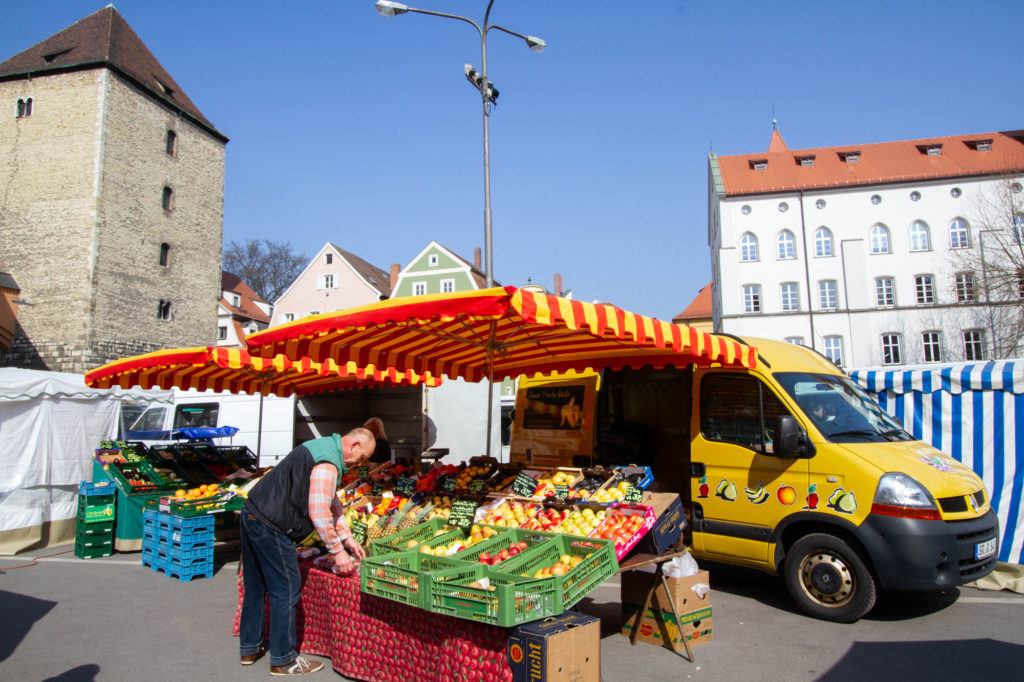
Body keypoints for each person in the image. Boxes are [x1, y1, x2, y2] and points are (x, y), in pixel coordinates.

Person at [239, 428, 375, 675]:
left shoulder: (323, 447)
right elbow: (319, 511)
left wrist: (348, 539)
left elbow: (331, 502)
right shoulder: (329, 463)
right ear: (354, 444)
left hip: (254, 511)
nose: (360, 463)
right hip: (273, 523)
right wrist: (338, 553)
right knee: (287, 587)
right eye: (363, 456)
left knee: (256, 585)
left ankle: (249, 648)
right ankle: (283, 660)